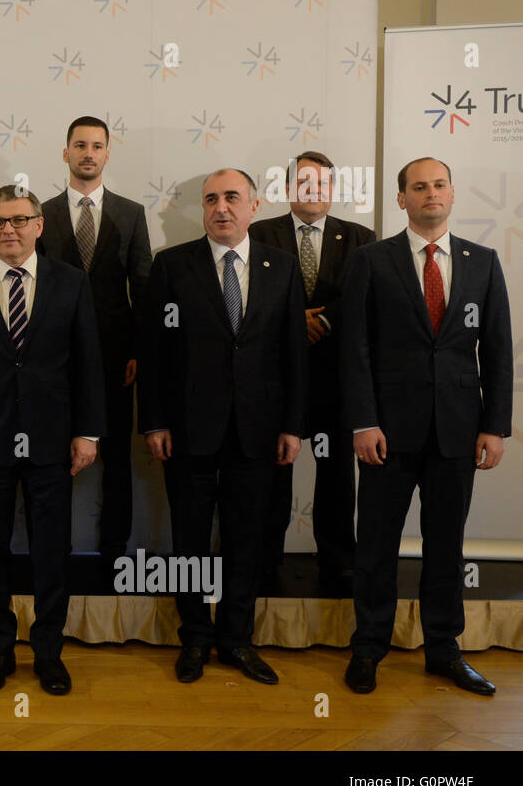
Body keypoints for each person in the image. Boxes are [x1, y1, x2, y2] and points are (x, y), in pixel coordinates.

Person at [340, 157, 511, 696]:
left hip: (458, 433)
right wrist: (363, 422)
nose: (430, 193)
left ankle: (443, 649)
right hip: (386, 434)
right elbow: (355, 350)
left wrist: (495, 426)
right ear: (402, 199)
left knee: (447, 548)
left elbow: (498, 350)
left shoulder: (482, 261)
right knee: (375, 546)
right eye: (419, 186)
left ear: (452, 194)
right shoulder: (371, 260)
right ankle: (368, 647)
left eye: (439, 184)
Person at [139, 169, 307, 685]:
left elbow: (294, 354)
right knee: (189, 539)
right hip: (188, 430)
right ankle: (195, 637)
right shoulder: (172, 265)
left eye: (232, 197)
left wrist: (293, 426)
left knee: (246, 539)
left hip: (258, 429)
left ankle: (236, 638)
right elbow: (154, 353)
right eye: (211, 199)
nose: (221, 208)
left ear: (254, 205)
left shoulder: (282, 266)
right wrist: (154, 421)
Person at [0, 185, 105, 696]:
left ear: (39, 225)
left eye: (18, 219)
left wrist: (86, 432)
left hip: (53, 440)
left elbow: (88, 365)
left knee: (51, 551)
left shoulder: (72, 284)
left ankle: (49, 652)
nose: (8, 229)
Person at [249, 151, 375, 595]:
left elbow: (364, 301)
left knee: (336, 473)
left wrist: (323, 321)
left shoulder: (361, 238)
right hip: (274, 379)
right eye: (303, 183)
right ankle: (263, 559)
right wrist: (292, 321)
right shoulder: (257, 233)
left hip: (335, 381)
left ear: (332, 191)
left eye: (321, 184)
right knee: (271, 472)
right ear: (287, 190)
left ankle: (339, 560)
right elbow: (245, 295)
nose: (313, 191)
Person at [38, 116, 152, 569]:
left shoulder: (131, 213)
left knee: (117, 459)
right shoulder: (39, 214)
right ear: (65, 153)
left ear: (107, 154)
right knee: (52, 459)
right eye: (80, 145)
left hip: (115, 357)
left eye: (97, 146)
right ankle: (55, 551)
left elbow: (142, 287)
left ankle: (113, 551)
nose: (88, 153)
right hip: (53, 358)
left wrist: (138, 350)